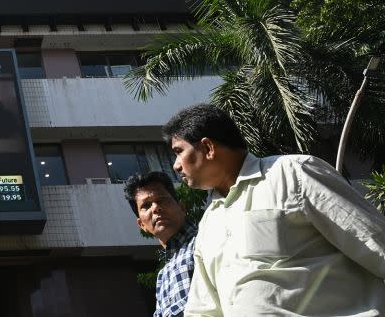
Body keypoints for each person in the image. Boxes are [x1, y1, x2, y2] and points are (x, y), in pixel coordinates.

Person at [162, 103, 385, 316]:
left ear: (208, 147)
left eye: (178, 151)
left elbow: (373, 240)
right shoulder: (209, 223)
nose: (176, 165)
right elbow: (204, 309)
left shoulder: (294, 174)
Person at [124, 172, 199, 317]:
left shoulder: (204, 241)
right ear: (142, 225)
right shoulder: (162, 276)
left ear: (182, 208)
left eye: (162, 200)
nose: (155, 208)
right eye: (146, 205)